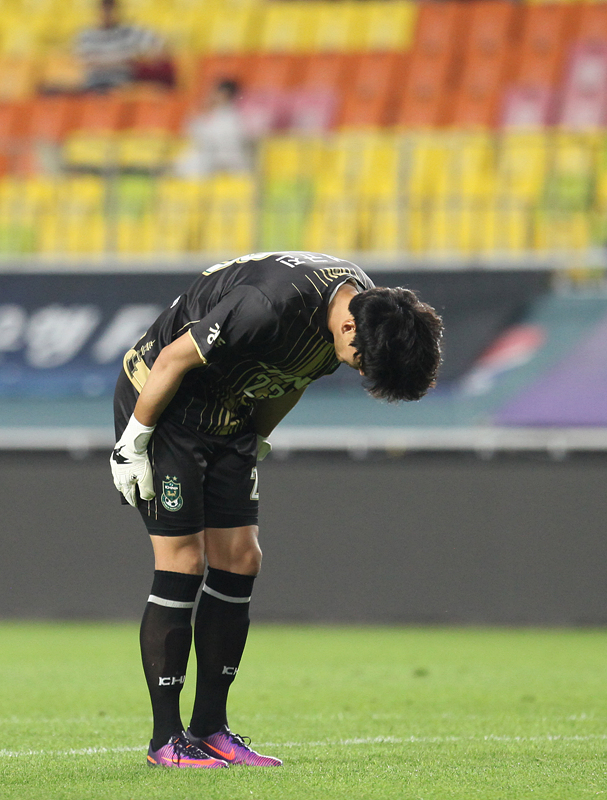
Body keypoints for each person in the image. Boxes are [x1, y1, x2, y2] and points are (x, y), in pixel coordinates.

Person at [110, 251, 443, 768]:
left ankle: (210, 728)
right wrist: (133, 442)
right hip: (165, 405)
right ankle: (165, 740)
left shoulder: (365, 308)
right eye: (359, 362)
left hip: (232, 414)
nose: (357, 369)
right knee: (184, 561)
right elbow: (173, 359)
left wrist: (258, 438)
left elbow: (295, 377)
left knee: (241, 559)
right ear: (348, 326)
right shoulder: (267, 305)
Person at [73, 0, 172, 94]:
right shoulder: (87, 36)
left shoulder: (130, 32)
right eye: (104, 9)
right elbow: (80, 62)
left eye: (110, 9)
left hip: (123, 84)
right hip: (93, 85)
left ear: (117, 10)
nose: (107, 14)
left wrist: (141, 58)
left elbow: (161, 46)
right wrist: (123, 58)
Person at [172, 79, 252, 178]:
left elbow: (226, 151)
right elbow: (188, 134)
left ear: (224, 95)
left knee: (196, 161)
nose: (211, 95)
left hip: (228, 166)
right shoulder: (207, 115)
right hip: (212, 163)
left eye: (215, 93)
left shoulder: (233, 119)